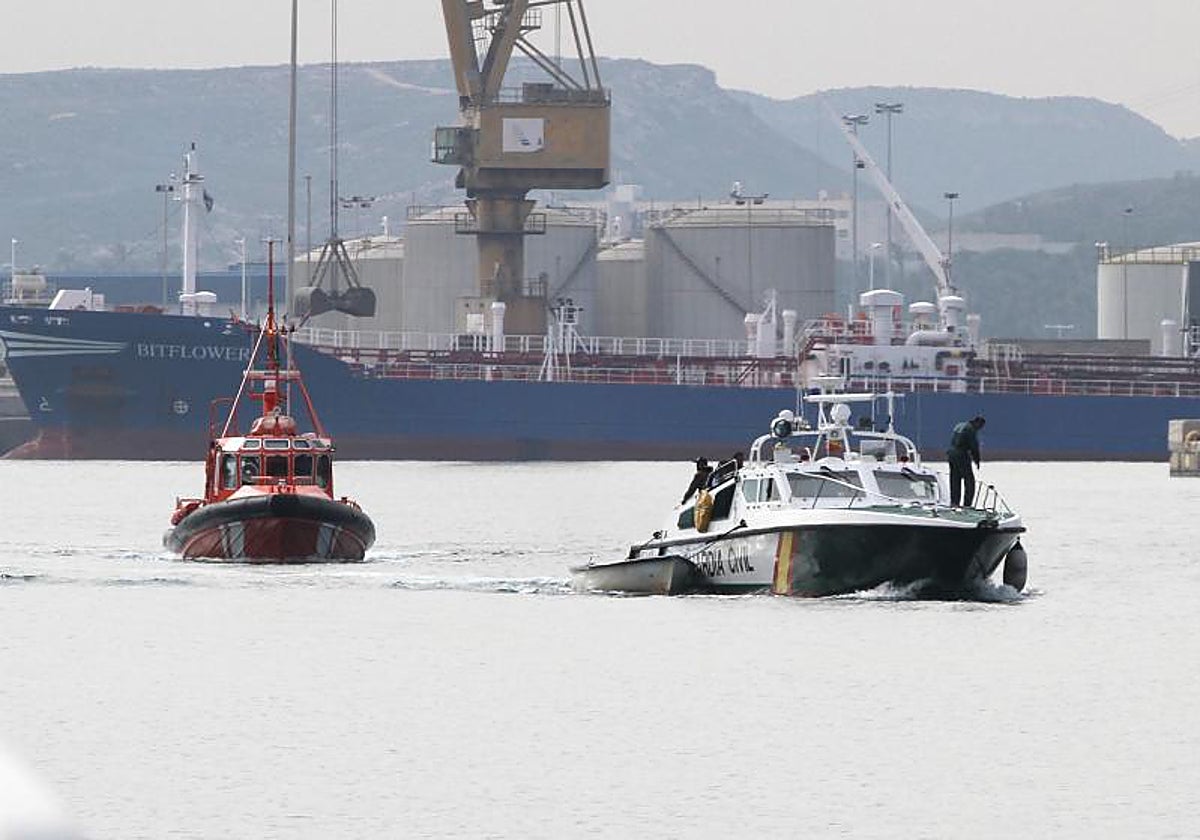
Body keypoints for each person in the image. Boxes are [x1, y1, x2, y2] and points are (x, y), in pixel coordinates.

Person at [947, 416, 986, 507]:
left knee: (955, 479)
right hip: (961, 455)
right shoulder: (971, 430)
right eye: (980, 426)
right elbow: (974, 447)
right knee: (969, 481)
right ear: (978, 423)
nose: (979, 429)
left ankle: (954, 503)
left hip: (951, 455)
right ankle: (967, 505)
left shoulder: (959, 425)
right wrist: (977, 460)